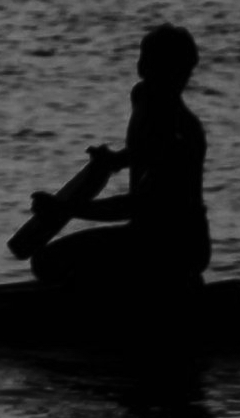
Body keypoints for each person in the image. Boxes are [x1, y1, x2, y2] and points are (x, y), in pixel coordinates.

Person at [30, 23, 211, 289]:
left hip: (177, 247)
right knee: (45, 261)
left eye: (155, 65)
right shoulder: (143, 99)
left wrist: (65, 209)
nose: (142, 69)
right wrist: (116, 161)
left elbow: (136, 205)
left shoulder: (181, 135)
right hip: (143, 235)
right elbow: (147, 149)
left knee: (49, 262)